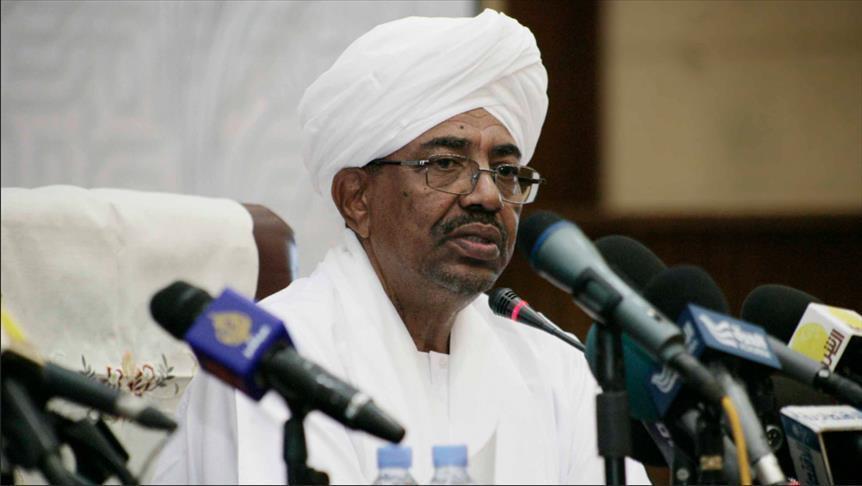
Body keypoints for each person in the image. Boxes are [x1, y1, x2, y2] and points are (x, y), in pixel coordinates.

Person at [152, 9, 649, 485]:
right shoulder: (273, 359)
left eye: (505, 171)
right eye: (445, 164)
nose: (487, 195)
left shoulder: (556, 368)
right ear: (356, 199)